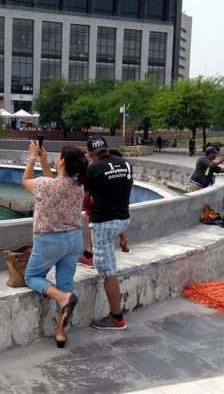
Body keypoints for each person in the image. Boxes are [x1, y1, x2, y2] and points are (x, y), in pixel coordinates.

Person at [21, 140, 89, 348]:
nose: (56, 158)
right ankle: (60, 332)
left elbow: (26, 181)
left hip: (49, 240)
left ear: (62, 162)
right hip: (74, 239)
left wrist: (32, 157)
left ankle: (62, 298)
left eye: (59, 156)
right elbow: (55, 185)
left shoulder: (45, 186)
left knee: (31, 277)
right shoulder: (78, 187)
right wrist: (44, 161)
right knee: (65, 282)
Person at [83, 136, 133, 330]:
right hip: (123, 219)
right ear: (107, 148)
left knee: (109, 272)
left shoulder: (93, 168)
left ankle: (117, 318)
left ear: (90, 153)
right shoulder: (125, 163)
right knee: (109, 266)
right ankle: (116, 315)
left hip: (104, 223)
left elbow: (86, 201)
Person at [81, 149, 130, 267]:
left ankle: (90, 255)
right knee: (108, 257)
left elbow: (86, 209)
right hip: (117, 221)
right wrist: (123, 239)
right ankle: (92, 256)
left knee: (106, 266)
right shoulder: (118, 189)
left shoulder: (98, 191)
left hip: (99, 222)